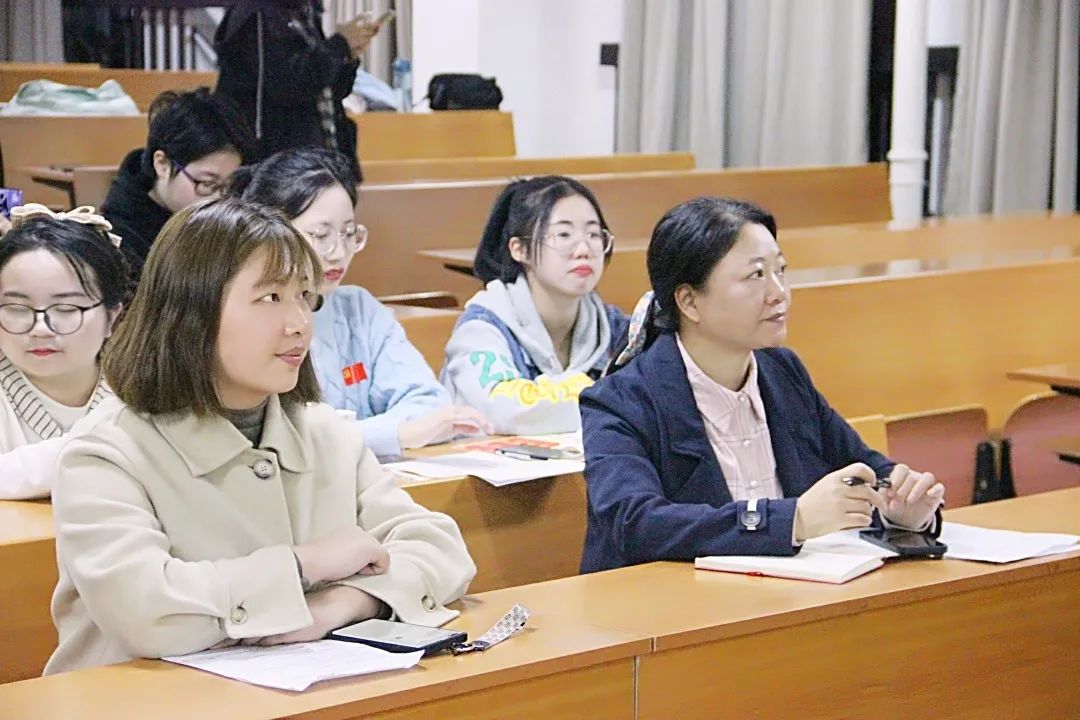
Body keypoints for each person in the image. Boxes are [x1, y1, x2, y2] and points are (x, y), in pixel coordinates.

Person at [45, 199, 475, 674]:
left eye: (305, 295)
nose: (299, 323)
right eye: (271, 298)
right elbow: (143, 611)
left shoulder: (326, 433)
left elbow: (439, 549)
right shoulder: (105, 453)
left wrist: (345, 602)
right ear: (192, 309)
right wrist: (304, 565)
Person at [579, 197, 945, 573]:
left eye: (780, 271)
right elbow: (636, 523)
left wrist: (902, 509)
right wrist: (792, 520)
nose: (779, 293)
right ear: (689, 301)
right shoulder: (620, 401)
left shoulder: (782, 371)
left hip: (786, 594)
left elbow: (861, 466)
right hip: (672, 602)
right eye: (756, 275)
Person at [231, 147, 490, 457]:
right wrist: (395, 434)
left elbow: (429, 404)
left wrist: (374, 436)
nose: (339, 252)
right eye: (320, 235)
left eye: (348, 233)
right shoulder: (249, 317)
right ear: (272, 231)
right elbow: (282, 438)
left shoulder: (358, 308)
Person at [441, 176, 629, 435]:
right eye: (564, 235)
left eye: (593, 234)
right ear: (520, 249)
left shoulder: (615, 329)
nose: (583, 249)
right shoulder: (482, 328)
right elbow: (506, 413)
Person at [0, 205, 129, 499]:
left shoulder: (138, 390)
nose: (40, 328)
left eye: (66, 309)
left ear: (111, 317)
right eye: (17, 308)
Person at [214, 0, 381, 183]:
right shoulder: (256, 14)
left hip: (316, 155)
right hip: (277, 161)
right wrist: (339, 45)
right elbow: (285, 85)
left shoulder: (303, 12)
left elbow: (330, 90)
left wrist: (347, 56)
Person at [100, 88, 254, 280]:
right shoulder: (119, 241)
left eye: (228, 186)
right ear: (162, 164)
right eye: (208, 184)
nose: (219, 201)